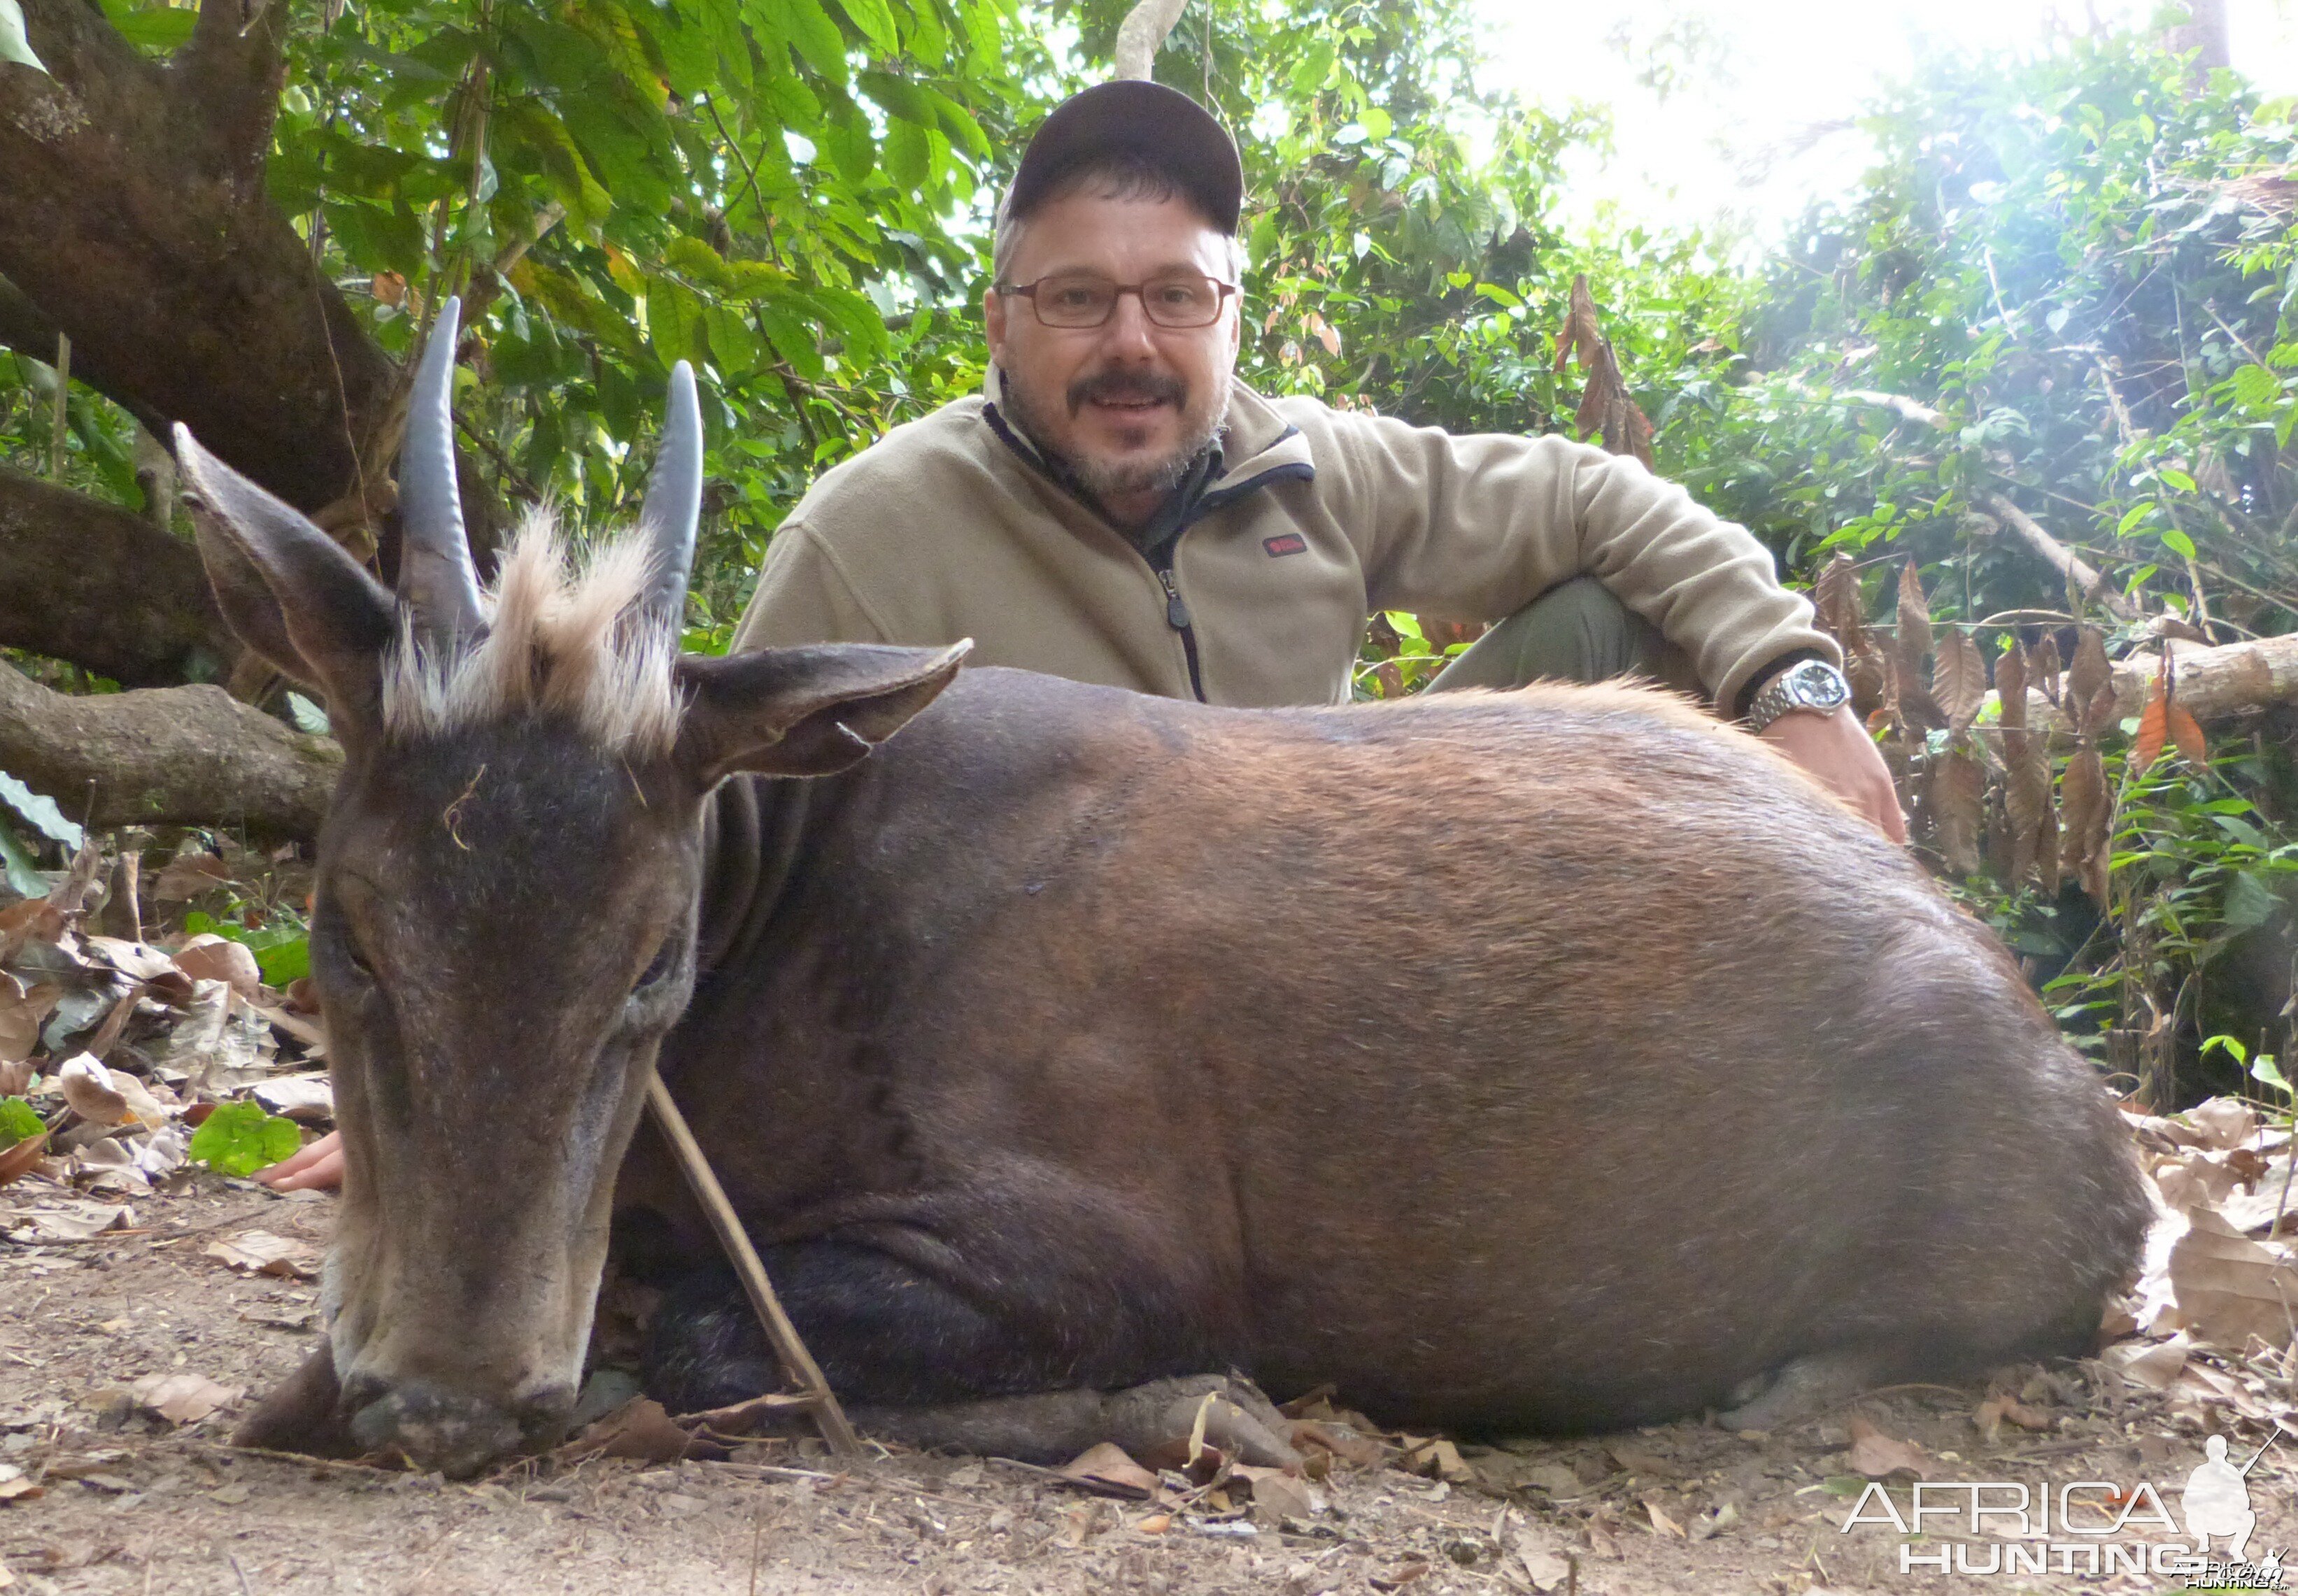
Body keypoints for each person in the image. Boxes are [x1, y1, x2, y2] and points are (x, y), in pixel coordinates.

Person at [255, 79, 1902, 1197]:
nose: (1131, 342)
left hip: (1342, 970)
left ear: (1226, 318)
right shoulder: (871, 529)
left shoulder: (1312, 464)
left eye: (1174, 296)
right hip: (1078, 1068)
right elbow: (693, 852)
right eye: (1076, 298)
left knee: (1615, 617)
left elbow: (1607, 499)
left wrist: (1796, 682)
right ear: (999, 323)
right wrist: (479, 1087)